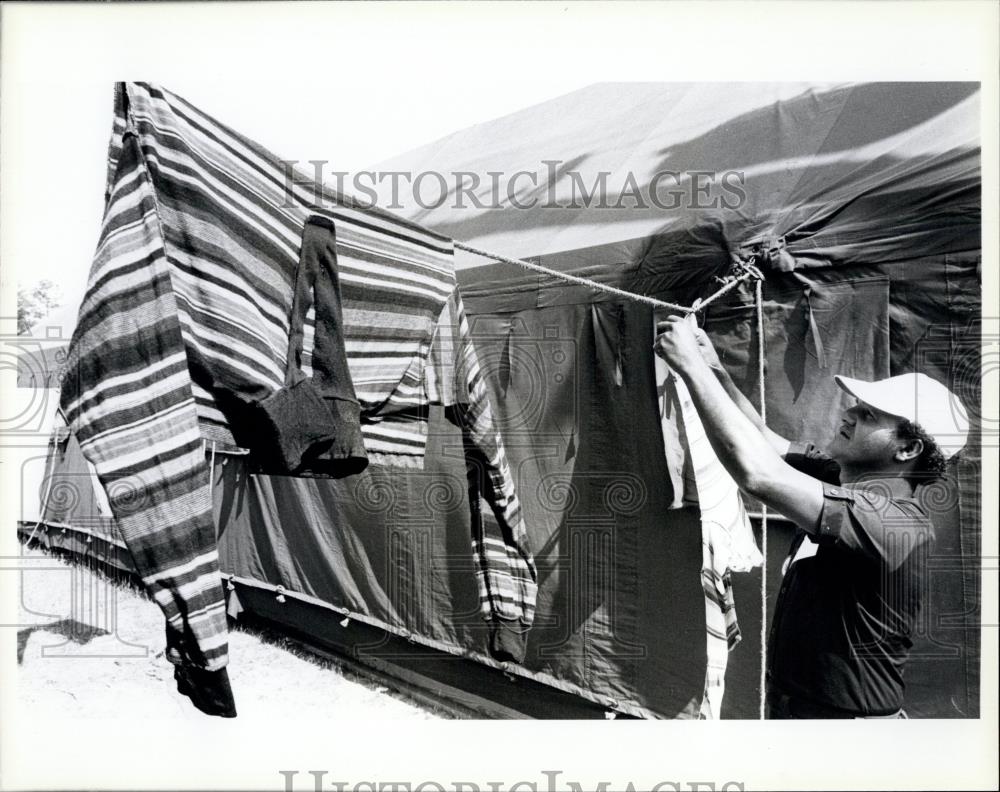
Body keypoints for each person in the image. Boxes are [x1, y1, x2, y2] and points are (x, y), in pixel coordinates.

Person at [653, 313, 968, 718]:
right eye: (857, 406)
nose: (849, 414)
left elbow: (759, 474)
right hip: (803, 711)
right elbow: (763, 441)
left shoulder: (894, 523)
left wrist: (690, 369)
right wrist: (714, 370)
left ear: (907, 451)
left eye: (869, 415)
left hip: (846, 732)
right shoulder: (843, 479)